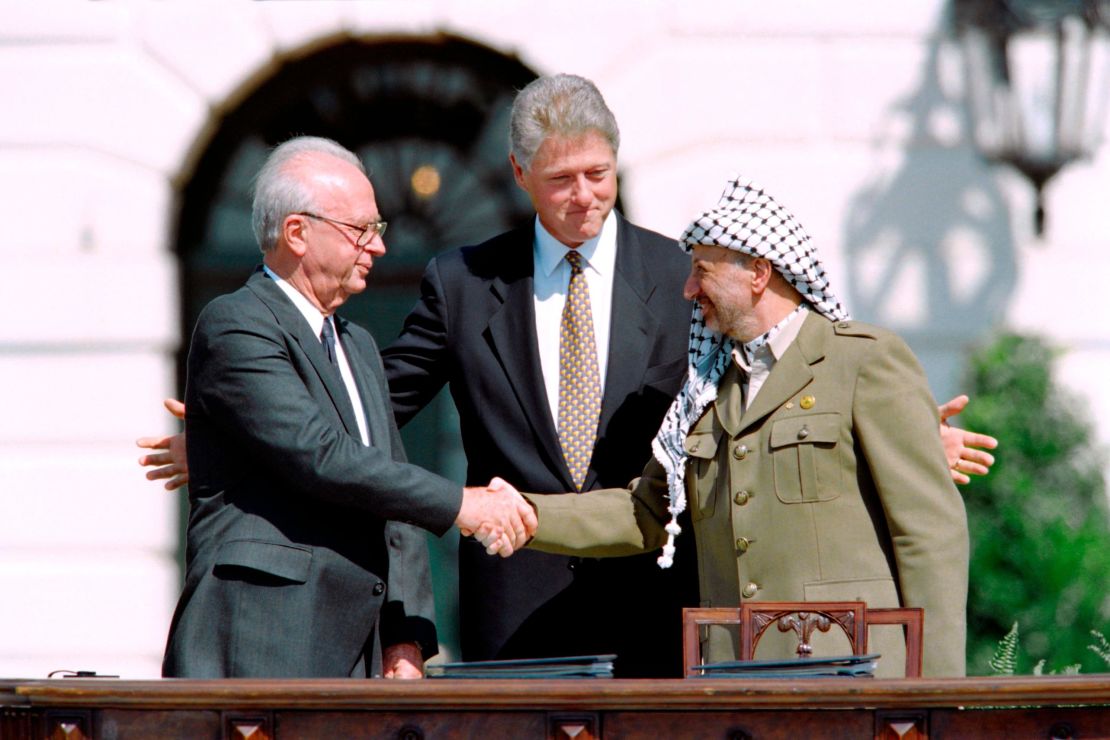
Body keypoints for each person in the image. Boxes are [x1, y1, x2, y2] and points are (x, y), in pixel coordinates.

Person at [139, 76, 996, 677]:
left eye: (599, 175)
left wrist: (905, 437)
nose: (585, 196)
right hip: (519, 611)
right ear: (519, 178)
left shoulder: (684, 275)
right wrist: (237, 437)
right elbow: (369, 415)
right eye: (562, 180)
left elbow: (770, 396)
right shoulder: (463, 281)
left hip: (672, 609)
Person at [494, 176, 972, 677]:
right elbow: (645, 510)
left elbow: (929, 534)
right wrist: (525, 514)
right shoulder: (703, 390)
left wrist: (937, 693)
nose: (688, 289)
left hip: (850, 675)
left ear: (758, 274)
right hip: (731, 680)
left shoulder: (862, 362)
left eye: (702, 270)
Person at [161, 136, 534, 679]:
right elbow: (321, 455)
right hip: (260, 643)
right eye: (362, 230)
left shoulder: (356, 343)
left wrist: (407, 636)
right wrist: (462, 504)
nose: (379, 246)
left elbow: (389, 481)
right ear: (297, 233)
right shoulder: (236, 322)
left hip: (355, 653)